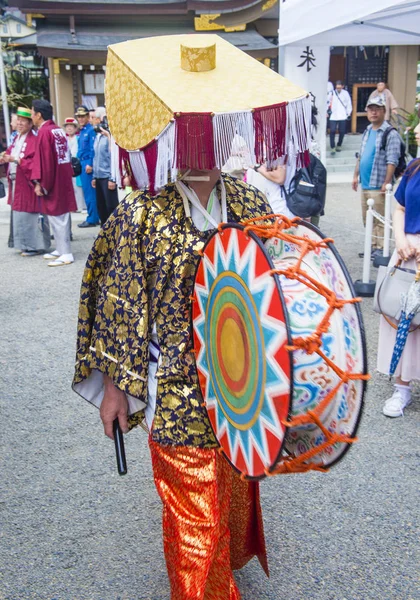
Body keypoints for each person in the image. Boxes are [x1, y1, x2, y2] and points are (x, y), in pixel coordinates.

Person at [73, 33, 312, 599]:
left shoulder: (251, 201)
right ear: (172, 130)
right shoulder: (140, 212)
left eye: (210, 122)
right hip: (177, 388)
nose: (202, 139)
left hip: (245, 386)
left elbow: (281, 286)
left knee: (230, 490)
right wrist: (116, 390)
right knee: (194, 520)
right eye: (189, 123)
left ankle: (220, 570)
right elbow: (120, 306)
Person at [377, 122, 420, 417]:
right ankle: (401, 388)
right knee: (404, 318)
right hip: (407, 253)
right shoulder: (415, 166)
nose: (416, 130)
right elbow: (399, 206)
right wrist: (400, 239)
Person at [352, 96, 401, 257]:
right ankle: (372, 246)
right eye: (370, 109)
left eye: (377, 109)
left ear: (384, 111)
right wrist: (355, 175)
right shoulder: (367, 130)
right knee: (368, 218)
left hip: (378, 183)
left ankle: (381, 248)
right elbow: (361, 155)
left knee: (380, 218)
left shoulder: (389, 133)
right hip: (365, 182)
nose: (373, 112)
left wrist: (386, 182)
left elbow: (392, 160)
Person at [31, 99, 77, 267]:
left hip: (53, 178)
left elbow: (45, 161)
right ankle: (60, 248)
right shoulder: (57, 129)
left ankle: (66, 252)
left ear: (39, 115)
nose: (31, 117)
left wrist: (42, 184)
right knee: (58, 215)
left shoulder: (44, 132)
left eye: (32, 113)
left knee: (58, 216)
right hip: (62, 175)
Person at [1, 106, 50, 255]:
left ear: (30, 124)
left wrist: (17, 160)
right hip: (17, 182)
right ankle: (23, 243)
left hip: (28, 183)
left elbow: (35, 163)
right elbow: (9, 153)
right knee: (19, 214)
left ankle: (34, 245)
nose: (20, 124)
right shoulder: (17, 138)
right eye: (19, 121)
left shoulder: (34, 139)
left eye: (24, 121)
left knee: (30, 213)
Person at [91, 107, 119, 224]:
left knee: (111, 208)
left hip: (108, 177)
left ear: (99, 120)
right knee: (101, 208)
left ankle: (114, 236)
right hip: (98, 176)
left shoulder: (110, 136)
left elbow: (113, 157)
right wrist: (94, 176)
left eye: (93, 118)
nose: (91, 120)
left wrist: (113, 178)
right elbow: (96, 157)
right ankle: (103, 236)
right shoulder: (97, 136)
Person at [75, 105, 100, 228]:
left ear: (87, 117)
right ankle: (93, 216)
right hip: (82, 162)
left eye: (82, 116)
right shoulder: (83, 131)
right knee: (86, 191)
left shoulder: (90, 131)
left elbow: (92, 148)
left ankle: (92, 218)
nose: (80, 119)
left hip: (87, 163)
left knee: (90, 193)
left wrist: (90, 163)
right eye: (78, 116)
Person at [64, 117, 86, 212]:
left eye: (71, 126)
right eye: (67, 126)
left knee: (79, 186)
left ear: (75, 128)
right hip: (67, 164)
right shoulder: (63, 139)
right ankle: (72, 206)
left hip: (77, 164)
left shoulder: (79, 138)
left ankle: (82, 206)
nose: (69, 128)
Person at [328, 80, 352, 155]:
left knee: (342, 131)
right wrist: (327, 111)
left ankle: (339, 145)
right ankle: (332, 147)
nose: (338, 89)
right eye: (337, 87)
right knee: (332, 131)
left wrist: (348, 113)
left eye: (339, 87)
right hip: (333, 115)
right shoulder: (332, 93)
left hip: (342, 114)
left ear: (342, 86)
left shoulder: (345, 93)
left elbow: (349, 103)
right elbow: (328, 102)